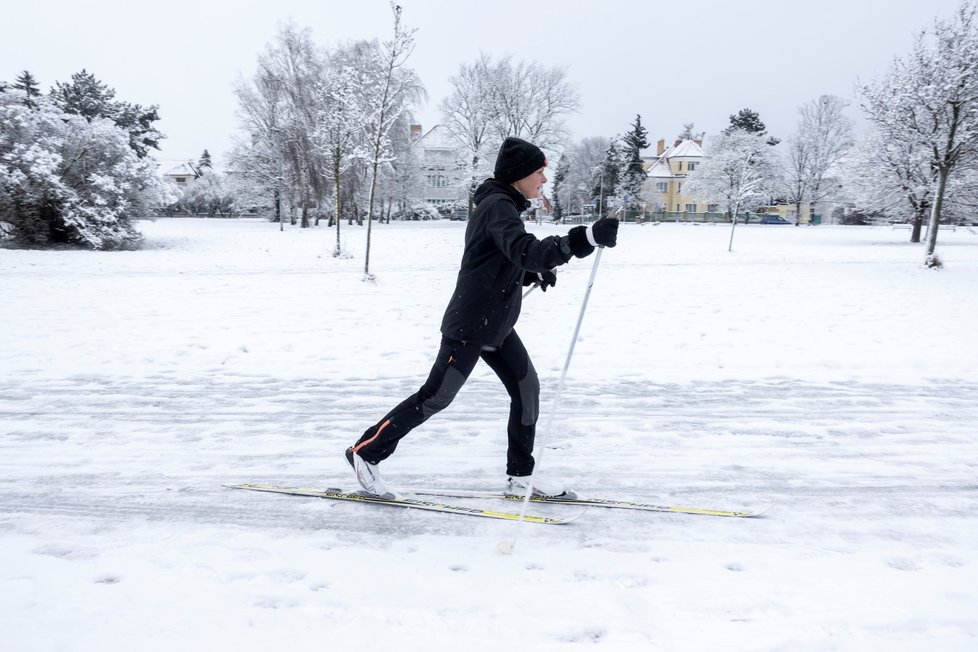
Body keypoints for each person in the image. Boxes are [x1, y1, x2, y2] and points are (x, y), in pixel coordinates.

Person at [345, 137, 618, 498]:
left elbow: (500, 257)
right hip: (471, 326)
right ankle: (365, 453)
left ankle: (521, 477)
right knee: (435, 397)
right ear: (520, 175)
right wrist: (583, 238)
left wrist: (529, 274)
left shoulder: (503, 206)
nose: (544, 179)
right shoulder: (497, 206)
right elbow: (526, 250)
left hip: (498, 325)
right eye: (539, 171)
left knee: (527, 391)